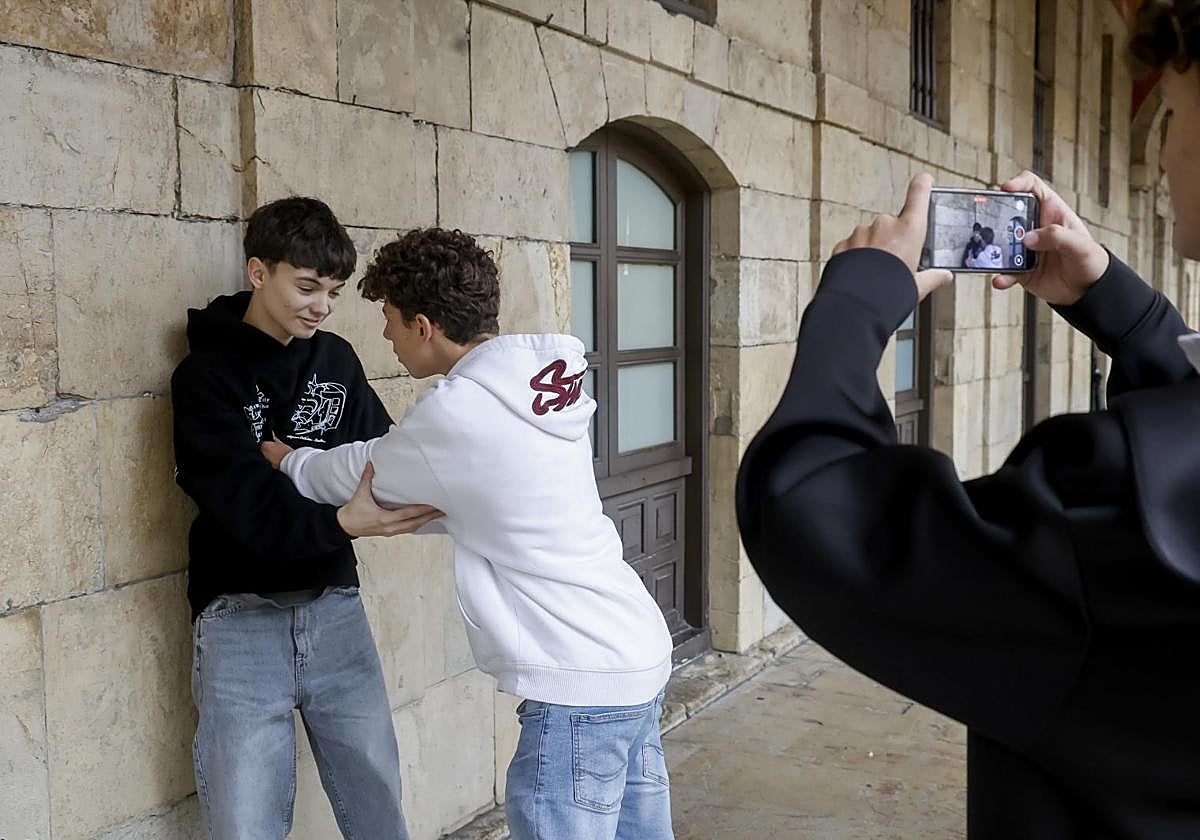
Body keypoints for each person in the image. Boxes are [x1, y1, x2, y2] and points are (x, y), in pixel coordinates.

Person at [735, 1, 1200, 834]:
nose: (1161, 151)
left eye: (1174, 111)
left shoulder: (1124, 507)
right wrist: (1120, 310)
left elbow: (814, 514)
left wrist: (856, 301)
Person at [262, 227, 676, 840]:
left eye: (391, 322)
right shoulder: (541, 384)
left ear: (424, 326)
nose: (386, 336)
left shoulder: (459, 415)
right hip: (635, 653)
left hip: (579, 684)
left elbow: (359, 471)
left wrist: (284, 458)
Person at [171, 197, 440, 839]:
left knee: (378, 805)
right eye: (307, 286)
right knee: (245, 821)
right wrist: (344, 517)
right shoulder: (205, 377)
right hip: (239, 618)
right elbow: (246, 510)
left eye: (334, 291)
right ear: (258, 272)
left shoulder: (336, 361)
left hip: (335, 610)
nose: (321, 305)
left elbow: (387, 461)